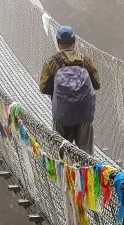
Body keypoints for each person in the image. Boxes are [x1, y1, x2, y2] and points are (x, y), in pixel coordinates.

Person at [39, 26, 100, 154]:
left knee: (59, 152)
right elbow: (96, 84)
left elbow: (43, 87)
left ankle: (61, 172)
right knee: (86, 155)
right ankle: (86, 171)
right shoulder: (85, 60)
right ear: (74, 42)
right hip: (84, 113)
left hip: (62, 113)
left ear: (58, 43)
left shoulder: (51, 62)